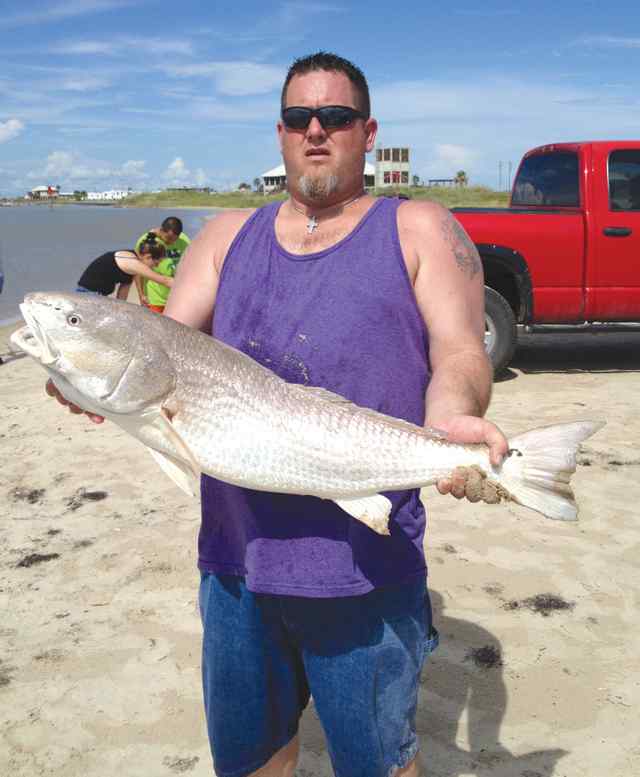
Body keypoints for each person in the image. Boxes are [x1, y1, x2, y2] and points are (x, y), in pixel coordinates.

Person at [48, 52, 508, 777]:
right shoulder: (228, 235)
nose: (316, 130)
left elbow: (459, 350)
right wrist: (86, 371)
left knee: (380, 763)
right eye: (299, 118)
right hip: (236, 563)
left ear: (368, 130)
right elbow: (166, 346)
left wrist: (454, 420)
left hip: (364, 566)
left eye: (337, 117)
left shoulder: (419, 227)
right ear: (280, 132)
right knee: (255, 760)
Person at [76, 239, 169, 300]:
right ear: (148, 257)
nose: (155, 267)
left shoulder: (133, 260)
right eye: (156, 263)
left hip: (98, 294)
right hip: (89, 293)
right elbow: (163, 280)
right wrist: (182, 287)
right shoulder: (133, 262)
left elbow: (123, 291)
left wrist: (122, 308)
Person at [134, 216, 190, 312]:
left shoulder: (185, 241)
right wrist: (141, 294)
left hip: (177, 297)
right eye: (168, 238)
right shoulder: (147, 242)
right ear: (161, 230)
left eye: (175, 239)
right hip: (154, 299)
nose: (171, 242)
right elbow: (137, 269)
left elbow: (190, 266)